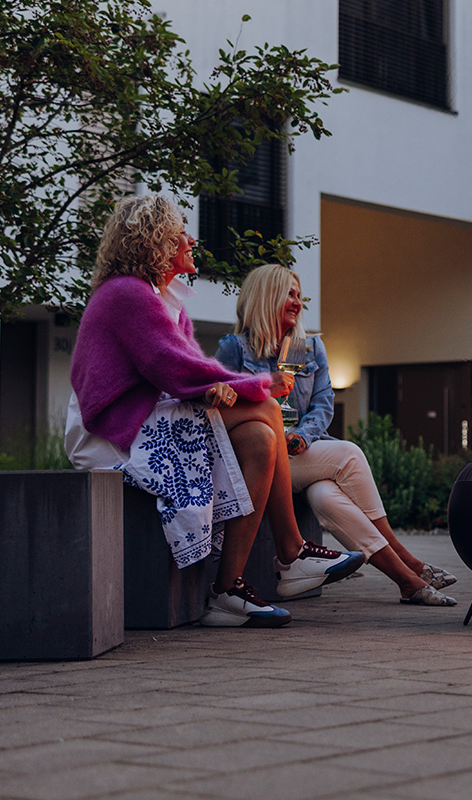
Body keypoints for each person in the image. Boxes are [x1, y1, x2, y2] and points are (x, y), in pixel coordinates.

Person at [66, 194, 365, 628]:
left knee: (261, 438)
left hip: (150, 413)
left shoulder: (166, 298)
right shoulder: (127, 293)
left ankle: (228, 589)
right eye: (180, 233)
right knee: (266, 405)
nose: (191, 240)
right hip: (113, 428)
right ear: (157, 241)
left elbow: (187, 369)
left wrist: (215, 390)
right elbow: (174, 367)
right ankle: (292, 552)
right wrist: (255, 385)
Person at [215, 263, 458, 606]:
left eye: (299, 295)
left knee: (326, 497)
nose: (297, 302)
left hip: (302, 452)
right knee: (349, 454)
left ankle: (407, 582)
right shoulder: (235, 348)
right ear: (265, 296)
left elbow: (323, 404)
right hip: (260, 457)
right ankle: (409, 561)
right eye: (288, 294)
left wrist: (303, 435)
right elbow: (224, 404)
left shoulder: (311, 348)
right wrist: (265, 388)